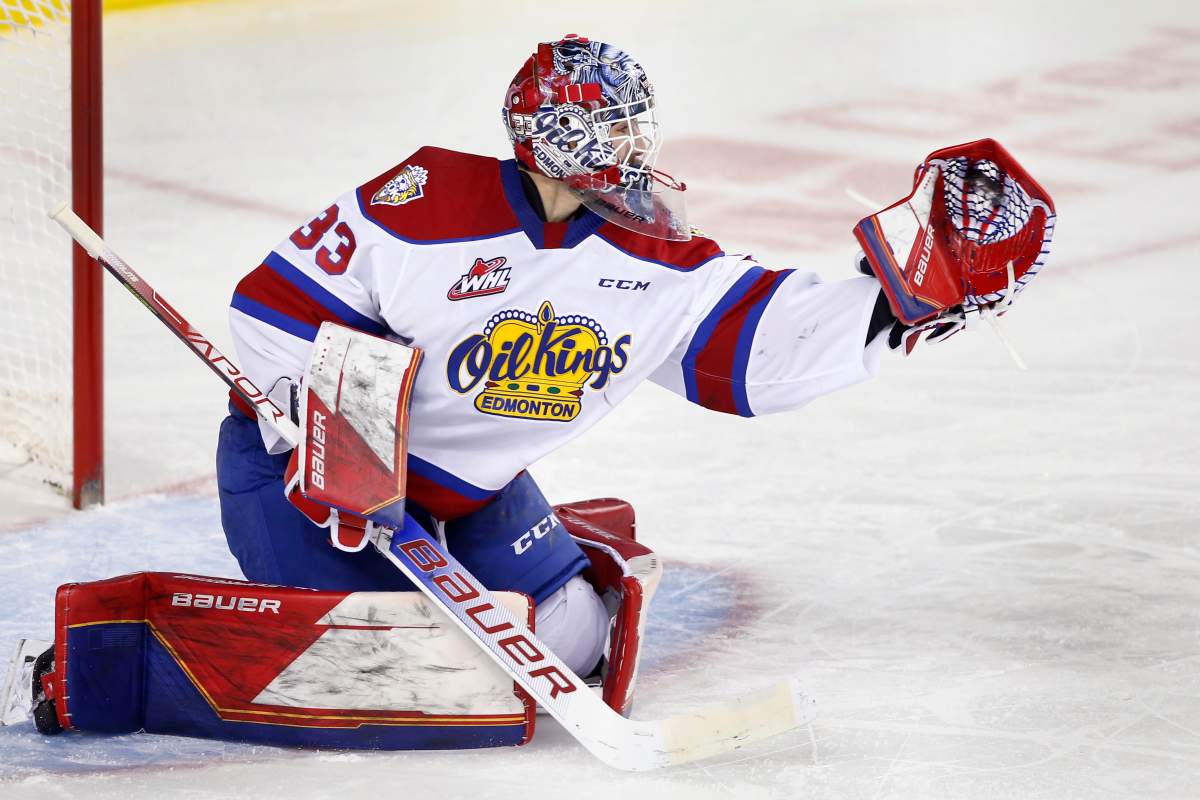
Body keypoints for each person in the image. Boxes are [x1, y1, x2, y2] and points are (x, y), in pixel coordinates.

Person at [214, 34, 1048, 685]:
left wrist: (888, 311)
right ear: (561, 135)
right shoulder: (422, 197)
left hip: (470, 495)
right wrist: (331, 442)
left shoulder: (653, 254)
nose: (637, 141)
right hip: (303, 484)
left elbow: (752, 339)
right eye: (616, 124)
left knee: (572, 642)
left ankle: (546, 545)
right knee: (387, 666)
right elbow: (272, 309)